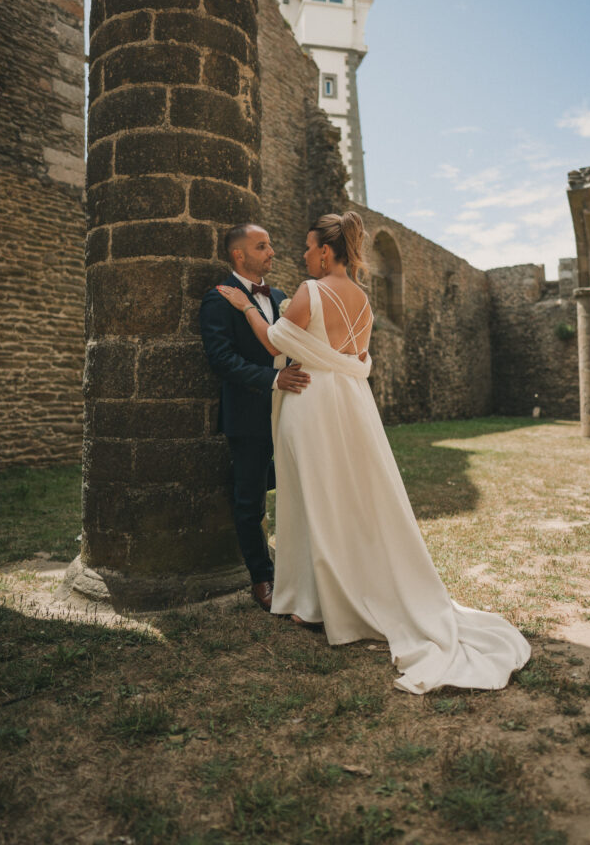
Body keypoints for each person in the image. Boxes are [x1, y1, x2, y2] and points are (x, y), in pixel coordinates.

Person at [216, 211, 530, 694]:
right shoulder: (363, 300)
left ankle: (317, 602)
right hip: (353, 406)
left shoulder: (310, 290)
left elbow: (276, 341)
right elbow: (355, 357)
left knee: (314, 497)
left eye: (306, 247)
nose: (300, 255)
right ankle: (341, 589)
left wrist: (246, 308)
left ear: (325, 251)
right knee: (354, 496)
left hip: (313, 403)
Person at [200, 223, 310, 612]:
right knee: (249, 500)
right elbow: (222, 360)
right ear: (238, 255)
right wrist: (273, 378)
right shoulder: (217, 299)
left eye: (270, 244)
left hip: (291, 411)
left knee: (299, 482)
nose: (272, 252)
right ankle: (262, 578)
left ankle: (301, 566)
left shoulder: (280, 296)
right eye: (262, 246)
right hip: (248, 414)